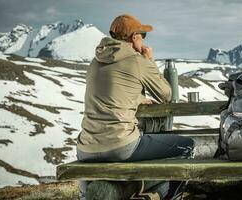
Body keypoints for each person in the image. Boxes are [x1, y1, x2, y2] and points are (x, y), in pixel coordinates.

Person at [76, 14, 194, 199]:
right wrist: (149, 60)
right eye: (142, 35)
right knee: (187, 147)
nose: (143, 39)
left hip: (85, 148)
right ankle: (171, 196)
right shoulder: (137, 61)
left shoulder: (95, 61)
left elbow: (109, 91)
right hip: (120, 145)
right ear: (134, 37)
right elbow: (166, 94)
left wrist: (137, 98)